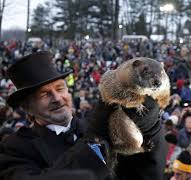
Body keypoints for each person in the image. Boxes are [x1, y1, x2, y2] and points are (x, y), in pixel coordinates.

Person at [0, 51, 167, 180]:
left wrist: (150, 131)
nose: (57, 98)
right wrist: (94, 141)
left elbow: (142, 175)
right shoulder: (14, 149)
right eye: (45, 94)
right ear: (28, 107)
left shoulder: (93, 125)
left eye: (60, 89)